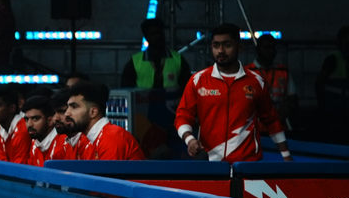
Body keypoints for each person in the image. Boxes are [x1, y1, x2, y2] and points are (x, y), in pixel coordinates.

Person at [174, 24, 290, 163]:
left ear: (239, 47)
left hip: (247, 164)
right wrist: (190, 139)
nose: (221, 50)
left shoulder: (256, 81)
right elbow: (182, 116)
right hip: (210, 164)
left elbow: (271, 120)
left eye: (227, 45)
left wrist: (286, 155)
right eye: (216, 45)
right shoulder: (198, 80)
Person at [66, 81, 145, 161]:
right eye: (68, 107)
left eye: (74, 107)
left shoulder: (111, 139)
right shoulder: (89, 140)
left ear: (93, 112)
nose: (67, 113)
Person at [121, 18, 190, 90]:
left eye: (160, 32)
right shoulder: (135, 62)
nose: (158, 36)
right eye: (153, 34)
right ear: (146, 37)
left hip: (171, 97)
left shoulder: (178, 59)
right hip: (145, 98)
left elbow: (188, 88)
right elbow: (125, 89)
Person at [247, 34, 297, 130]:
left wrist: (289, 108)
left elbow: (293, 99)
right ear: (257, 50)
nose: (270, 51)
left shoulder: (283, 71)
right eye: (266, 48)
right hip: (255, 129)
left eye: (273, 48)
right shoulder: (247, 72)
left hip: (278, 127)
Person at [0, 86, 30, 165]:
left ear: (12, 108)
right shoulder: (3, 131)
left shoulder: (22, 132)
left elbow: (19, 169)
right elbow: (2, 163)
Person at [23, 96, 58, 167]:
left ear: (50, 121)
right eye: (27, 119)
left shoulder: (62, 144)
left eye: (35, 119)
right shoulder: (35, 142)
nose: (29, 124)